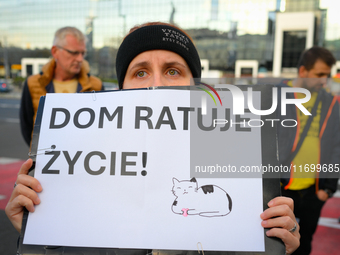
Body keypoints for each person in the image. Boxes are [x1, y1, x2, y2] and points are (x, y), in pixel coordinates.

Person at [6, 22, 300, 255]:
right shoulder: (87, 164)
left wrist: (273, 243)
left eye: (173, 71)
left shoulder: (230, 153)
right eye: (141, 72)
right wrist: (40, 236)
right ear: (121, 88)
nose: (157, 84)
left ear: (194, 85)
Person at [277, 46, 340, 255]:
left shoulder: (331, 102)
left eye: (327, 75)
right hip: (280, 187)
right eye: (319, 74)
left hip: (314, 191)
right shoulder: (276, 96)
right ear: (303, 71)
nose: (324, 80)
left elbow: (336, 146)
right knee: (275, 242)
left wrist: (327, 188)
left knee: (305, 243)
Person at [20, 26, 103, 147]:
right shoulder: (33, 83)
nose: (80, 59)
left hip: (84, 161)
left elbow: (101, 130)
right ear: (55, 52)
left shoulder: (96, 85)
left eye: (83, 53)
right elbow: (27, 128)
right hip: (44, 162)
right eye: (74, 52)